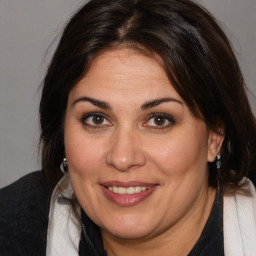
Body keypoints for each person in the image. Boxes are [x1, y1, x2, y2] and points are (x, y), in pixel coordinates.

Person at [1, 0, 256, 255]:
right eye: (97, 119)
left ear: (215, 136)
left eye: (158, 120)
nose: (122, 157)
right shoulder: (11, 228)